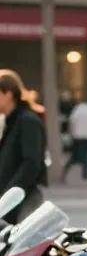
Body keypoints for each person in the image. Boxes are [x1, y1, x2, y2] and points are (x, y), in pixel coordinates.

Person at [0, 70, 46, 221]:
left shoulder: (27, 121)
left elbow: (31, 163)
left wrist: (9, 196)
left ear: (8, 94)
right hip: (10, 201)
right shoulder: (11, 121)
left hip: (22, 201)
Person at [64, 95, 87, 182]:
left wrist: (72, 132)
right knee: (86, 154)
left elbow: (71, 122)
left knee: (74, 155)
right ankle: (85, 174)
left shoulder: (76, 109)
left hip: (77, 136)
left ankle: (65, 170)